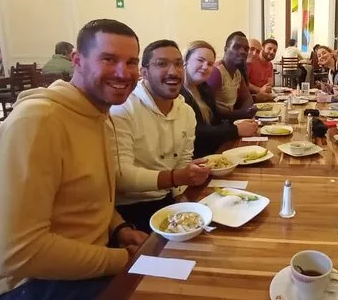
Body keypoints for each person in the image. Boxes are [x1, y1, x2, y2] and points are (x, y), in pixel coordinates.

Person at [0, 19, 148, 300]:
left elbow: (85, 193)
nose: (124, 73)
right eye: (109, 59)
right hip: (27, 289)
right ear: (77, 61)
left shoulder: (97, 114)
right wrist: (121, 259)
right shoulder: (38, 121)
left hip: (78, 269)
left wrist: (119, 227)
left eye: (131, 62)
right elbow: (16, 252)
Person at [109, 40, 211, 233]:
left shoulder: (186, 111)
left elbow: (183, 160)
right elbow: (121, 177)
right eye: (162, 64)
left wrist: (183, 196)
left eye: (178, 64)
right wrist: (177, 177)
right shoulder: (123, 108)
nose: (173, 71)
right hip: (129, 211)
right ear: (144, 72)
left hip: (168, 201)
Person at [181, 41, 258, 157]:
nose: (205, 67)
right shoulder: (178, 93)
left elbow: (216, 119)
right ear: (185, 60)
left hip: (213, 151)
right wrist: (235, 130)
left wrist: (240, 123)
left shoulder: (203, 87)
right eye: (200, 60)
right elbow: (194, 132)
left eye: (210, 64)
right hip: (194, 158)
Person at [206, 31, 256, 119]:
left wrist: (247, 111)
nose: (243, 52)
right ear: (226, 49)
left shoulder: (237, 72)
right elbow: (209, 109)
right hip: (219, 123)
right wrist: (239, 114)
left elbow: (247, 98)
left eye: (246, 49)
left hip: (232, 119)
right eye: (236, 47)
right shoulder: (216, 72)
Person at [248, 38, 277, 102]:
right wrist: (259, 90)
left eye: (275, 51)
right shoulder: (251, 60)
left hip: (263, 97)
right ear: (262, 48)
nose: (272, 52)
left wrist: (269, 86)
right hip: (250, 98)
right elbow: (244, 83)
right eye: (269, 48)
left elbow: (270, 82)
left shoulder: (270, 65)